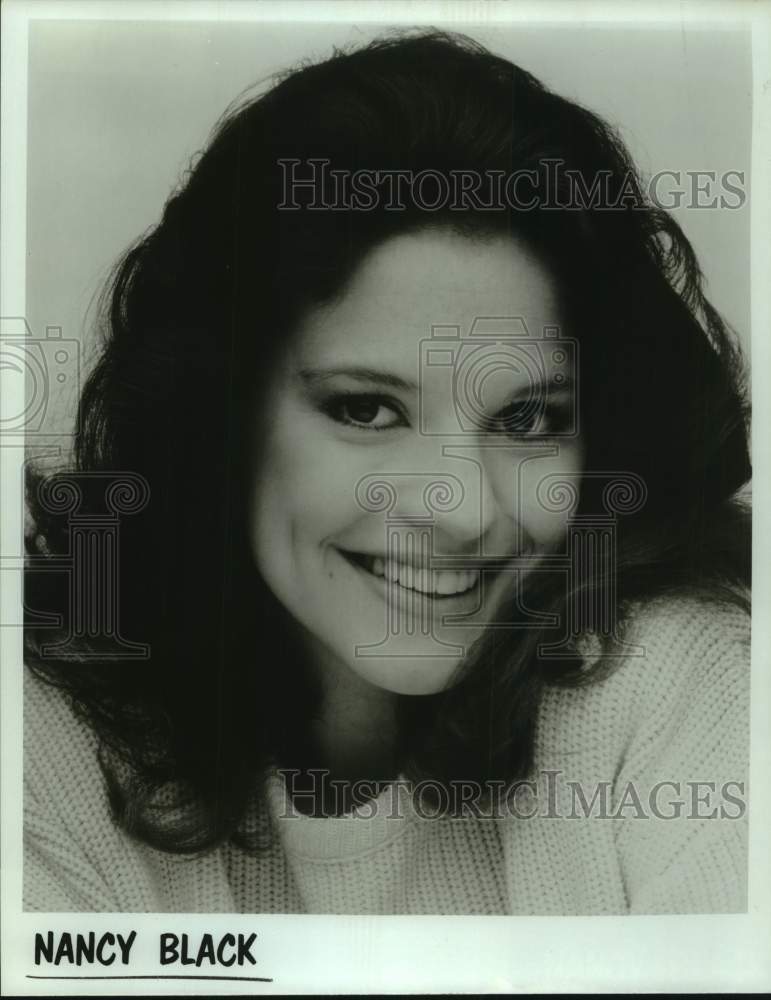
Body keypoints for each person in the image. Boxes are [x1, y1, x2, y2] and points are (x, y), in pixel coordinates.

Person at [23, 30, 751, 914]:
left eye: (527, 419)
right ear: (218, 419)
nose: (461, 510)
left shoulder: (673, 674)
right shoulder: (41, 737)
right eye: (366, 410)